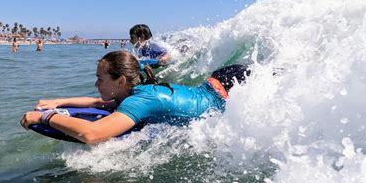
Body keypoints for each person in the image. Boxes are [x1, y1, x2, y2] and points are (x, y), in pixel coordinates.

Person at [20, 51, 250, 144]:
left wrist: (45, 117)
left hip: (232, 85)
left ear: (120, 81)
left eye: (101, 79)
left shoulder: (139, 101)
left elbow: (93, 134)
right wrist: (57, 102)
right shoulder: (131, 91)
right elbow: (97, 103)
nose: (96, 84)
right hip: (217, 83)